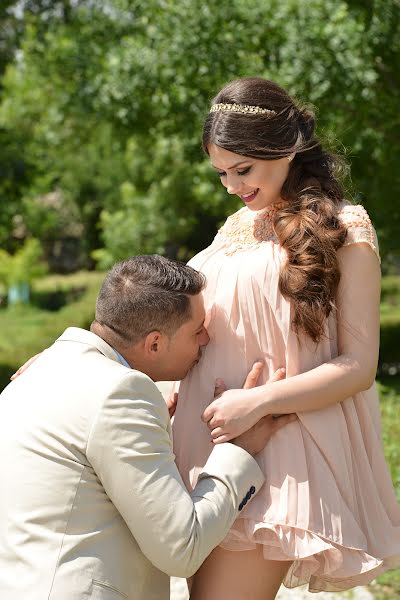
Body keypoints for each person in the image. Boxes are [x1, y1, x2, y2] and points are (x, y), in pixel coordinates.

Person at [172, 77, 400, 599]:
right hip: (203, 442)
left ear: (288, 147)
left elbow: (359, 365)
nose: (231, 185)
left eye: (243, 169)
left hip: (276, 445)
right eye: (221, 172)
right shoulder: (234, 225)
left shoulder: (346, 227)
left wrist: (256, 404)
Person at [0, 255, 296, 600]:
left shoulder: (37, 371)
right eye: (197, 329)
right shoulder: (119, 394)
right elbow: (181, 548)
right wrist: (238, 449)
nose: (205, 340)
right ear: (154, 343)